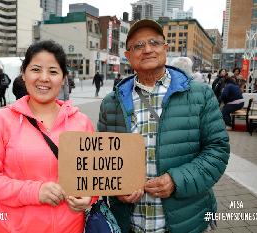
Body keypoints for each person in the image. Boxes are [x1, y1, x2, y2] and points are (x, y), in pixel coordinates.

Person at [97, 19, 229, 233]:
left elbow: (217, 149)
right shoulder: (111, 103)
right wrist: (115, 189)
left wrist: (176, 180)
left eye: (154, 43)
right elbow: (102, 161)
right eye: (138, 46)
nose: (147, 49)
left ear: (165, 49)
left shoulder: (200, 95)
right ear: (128, 55)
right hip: (130, 223)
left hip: (186, 221)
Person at [0, 40, 96, 233]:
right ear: (23, 73)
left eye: (53, 72)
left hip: (71, 228)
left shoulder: (82, 122)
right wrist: (34, 192)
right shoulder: (1, 120)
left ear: (63, 78)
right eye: (36, 69)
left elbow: (93, 175)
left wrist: (90, 196)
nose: (44, 78)